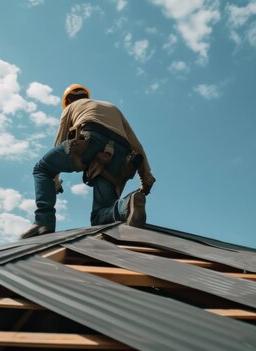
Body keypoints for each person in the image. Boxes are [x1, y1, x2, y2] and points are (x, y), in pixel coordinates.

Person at [20, 84, 155, 239]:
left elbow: (60, 142)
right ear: (86, 96)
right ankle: (126, 206)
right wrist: (146, 177)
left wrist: (55, 181)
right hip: (120, 154)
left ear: (68, 99)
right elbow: (136, 145)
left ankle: (44, 223)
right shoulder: (113, 108)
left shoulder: (71, 107)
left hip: (90, 139)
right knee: (100, 217)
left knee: (42, 169)